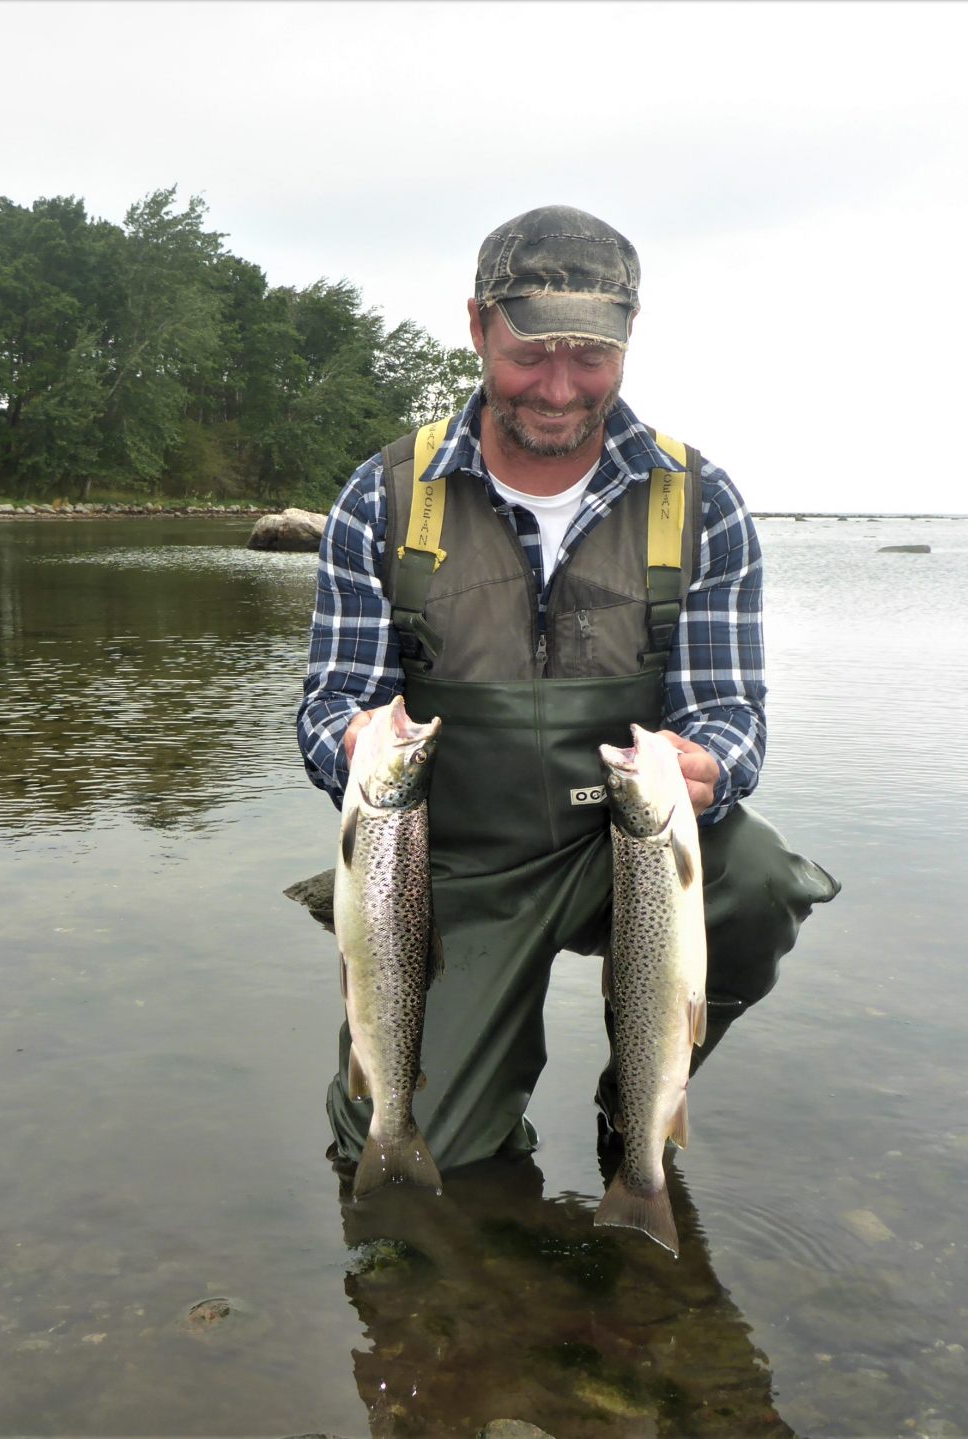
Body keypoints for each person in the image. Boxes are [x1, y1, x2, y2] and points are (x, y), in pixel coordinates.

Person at [297, 204, 838, 1176]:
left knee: (756, 882)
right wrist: (349, 738)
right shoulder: (382, 497)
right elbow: (329, 702)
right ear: (478, 327)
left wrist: (714, 760)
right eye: (530, 352)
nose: (557, 387)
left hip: (623, 847)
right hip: (452, 869)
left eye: (588, 354)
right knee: (411, 1163)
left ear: (628, 341)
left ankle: (639, 1098)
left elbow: (729, 709)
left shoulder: (696, 501)